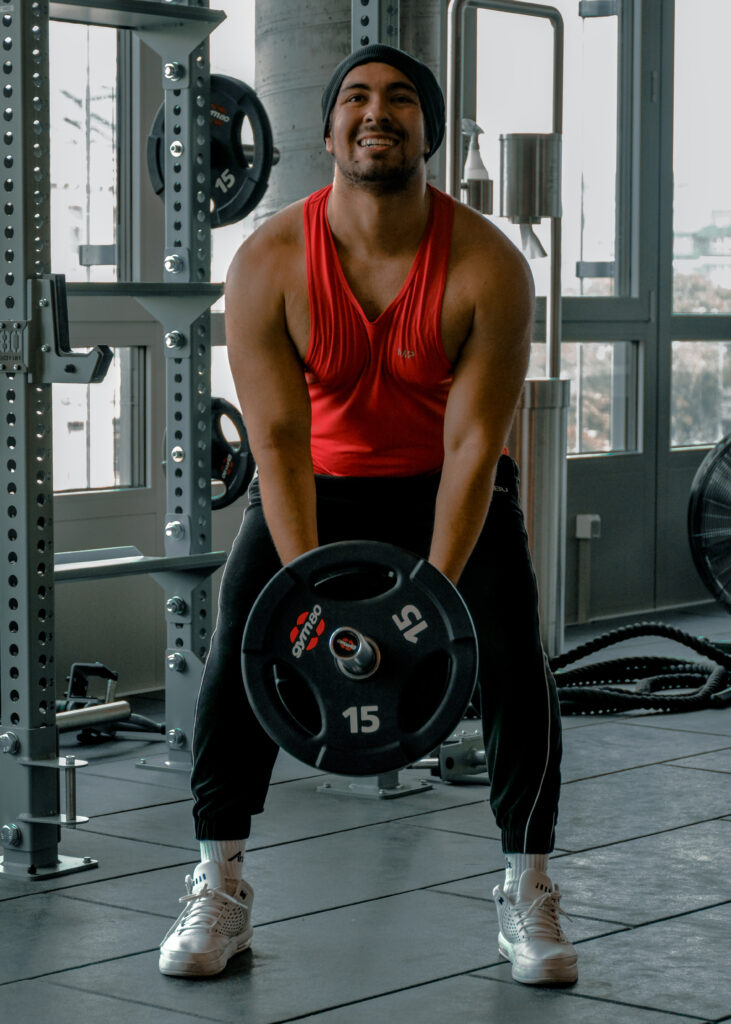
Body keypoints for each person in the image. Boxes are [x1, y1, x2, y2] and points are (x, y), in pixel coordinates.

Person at [159, 44, 577, 987]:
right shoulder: (269, 259)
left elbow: (473, 447)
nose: (374, 112)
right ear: (326, 130)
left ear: (427, 129)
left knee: (512, 653)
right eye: (355, 97)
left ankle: (528, 884)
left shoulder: (488, 265)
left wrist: (425, 594)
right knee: (240, 648)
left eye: (398, 99)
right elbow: (275, 444)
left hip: (447, 488)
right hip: (315, 484)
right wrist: (308, 604)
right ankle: (217, 880)